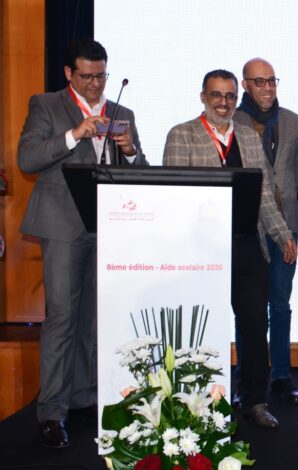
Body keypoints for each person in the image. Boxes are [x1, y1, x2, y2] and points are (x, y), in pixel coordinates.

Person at [17, 38, 147, 448]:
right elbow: (28, 159)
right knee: (62, 317)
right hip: (62, 224)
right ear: (69, 73)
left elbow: (140, 172)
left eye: (101, 75)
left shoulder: (122, 113)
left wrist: (130, 152)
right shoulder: (46, 105)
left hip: (108, 226)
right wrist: (75, 134)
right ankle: (51, 413)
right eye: (87, 76)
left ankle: (84, 398)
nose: (95, 84)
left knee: (94, 319)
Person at [162, 69, 297, 429]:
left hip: (247, 245)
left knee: (254, 324)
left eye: (230, 96)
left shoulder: (249, 138)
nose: (223, 102)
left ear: (237, 99)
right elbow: (173, 195)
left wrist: (283, 235)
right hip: (201, 250)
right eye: (216, 95)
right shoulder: (182, 135)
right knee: (202, 326)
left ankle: (254, 400)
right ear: (203, 97)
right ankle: (196, 403)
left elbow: (264, 194)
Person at [234, 57, 298, 405]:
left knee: (280, 303)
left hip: (288, 223)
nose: (267, 88)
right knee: (249, 307)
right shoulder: (231, 120)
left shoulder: (292, 120)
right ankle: (247, 378)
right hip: (248, 226)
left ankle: (281, 375)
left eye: (272, 81)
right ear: (245, 85)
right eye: (259, 82)